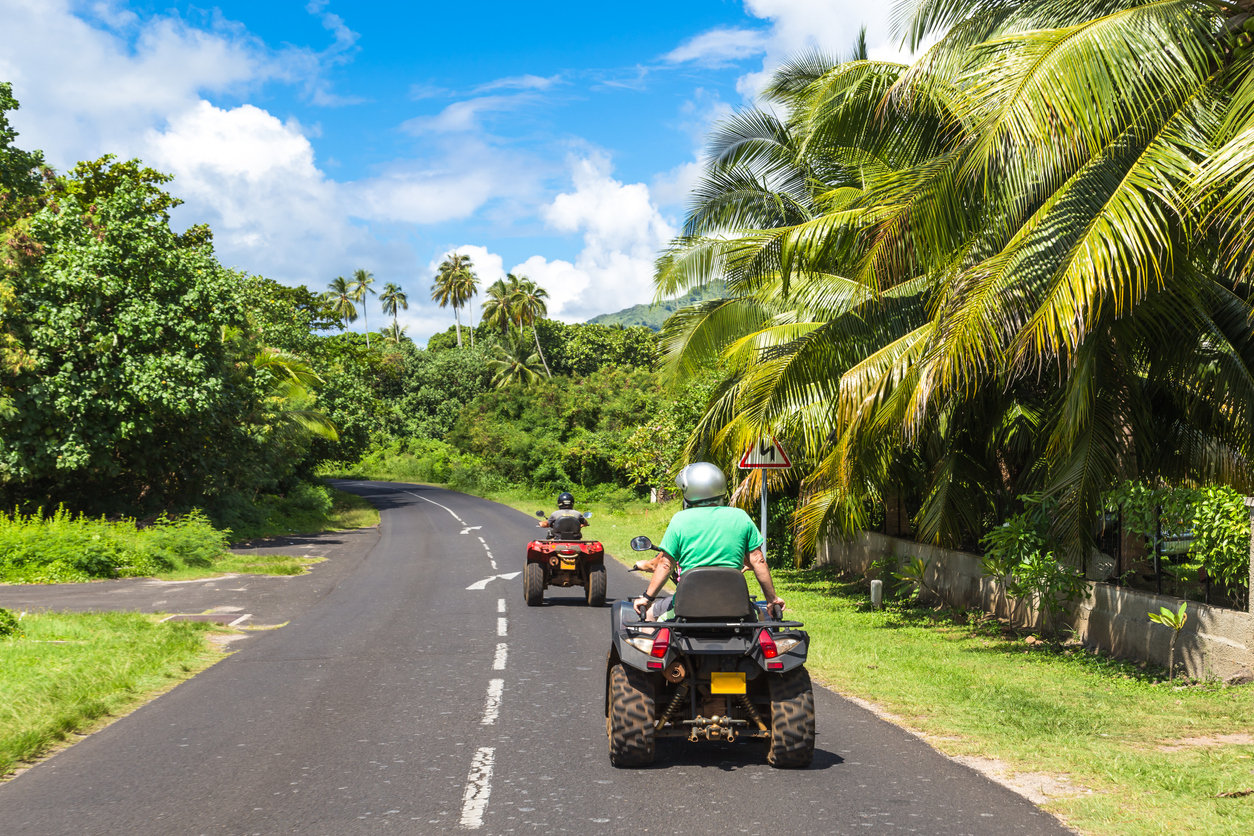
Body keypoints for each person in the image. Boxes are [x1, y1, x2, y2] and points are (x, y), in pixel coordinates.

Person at [633, 462, 785, 621]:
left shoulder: (680, 520)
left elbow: (665, 564)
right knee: (760, 621)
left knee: (649, 616)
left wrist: (647, 598)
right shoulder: (741, 517)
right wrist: (772, 600)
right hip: (735, 605)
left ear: (690, 491)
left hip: (687, 605)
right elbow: (759, 561)